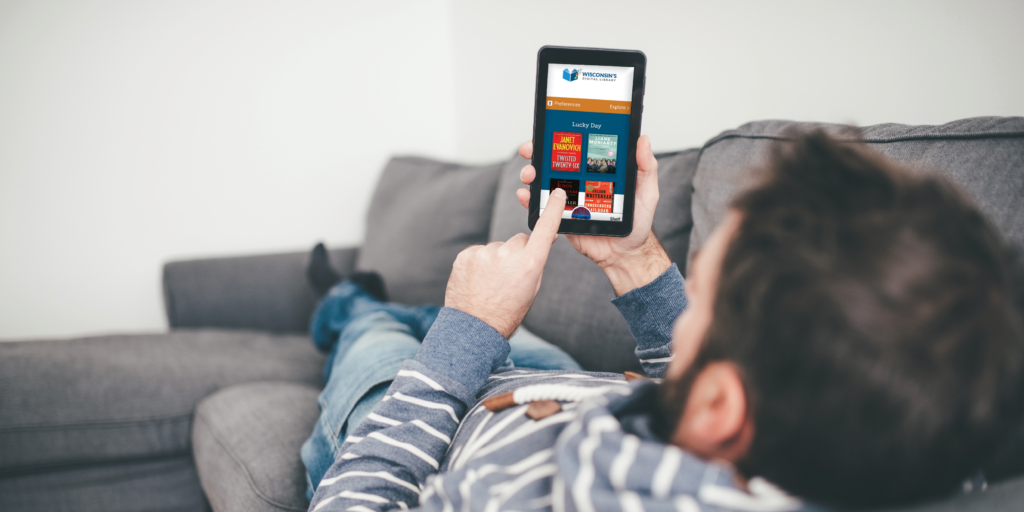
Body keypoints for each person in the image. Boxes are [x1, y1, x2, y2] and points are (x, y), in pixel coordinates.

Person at [302, 131, 1024, 512]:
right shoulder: (910, 439)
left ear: (719, 407)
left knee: (380, 338)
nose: (685, 311)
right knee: (465, 315)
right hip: (562, 385)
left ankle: (345, 300)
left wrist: (463, 338)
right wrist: (634, 259)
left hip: (434, 422)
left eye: (698, 291)